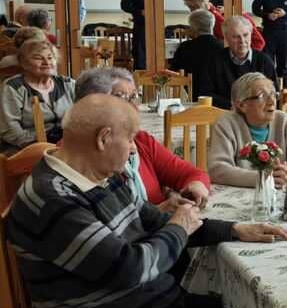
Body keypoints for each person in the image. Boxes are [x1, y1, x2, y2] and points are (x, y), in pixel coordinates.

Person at [5, 94, 287, 308]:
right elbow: (129, 269)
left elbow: (154, 222)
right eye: (130, 139)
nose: (133, 150)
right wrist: (178, 226)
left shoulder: (103, 176)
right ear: (103, 138)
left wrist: (235, 230)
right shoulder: (51, 199)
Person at [75, 67, 211, 211]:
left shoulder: (141, 140)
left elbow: (191, 173)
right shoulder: (81, 156)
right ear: (93, 106)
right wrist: (159, 211)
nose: (134, 106)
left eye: (134, 97)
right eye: (121, 98)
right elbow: (112, 222)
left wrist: (196, 185)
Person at [209, 72, 287, 189]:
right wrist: (264, 178)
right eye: (262, 96)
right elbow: (217, 169)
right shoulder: (226, 124)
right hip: (238, 198)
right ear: (242, 105)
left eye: (273, 94)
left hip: (280, 197)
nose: (272, 101)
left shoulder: (285, 122)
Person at [0, 39, 75, 150]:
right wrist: (43, 146)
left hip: (65, 144)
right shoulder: (13, 88)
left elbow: (85, 113)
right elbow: (10, 130)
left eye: (50, 58)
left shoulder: (67, 84)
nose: (46, 62)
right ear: (24, 63)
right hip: (25, 148)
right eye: (38, 58)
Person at [209, 16, 277, 109]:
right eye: (236, 37)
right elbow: (206, 94)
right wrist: (235, 106)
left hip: (257, 115)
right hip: (225, 115)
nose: (242, 41)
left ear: (251, 35)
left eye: (245, 35)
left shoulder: (264, 61)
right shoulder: (214, 61)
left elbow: (273, 94)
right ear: (226, 38)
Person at [170, 9, 226, 100]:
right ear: (213, 24)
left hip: (191, 97)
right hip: (218, 99)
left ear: (193, 27)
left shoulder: (185, 47)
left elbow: (175, 73)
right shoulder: (223, 47)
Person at [184, 0, 265, 51]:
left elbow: (258, 42)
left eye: (191, 8)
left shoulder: (213, 17)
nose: (191, 11)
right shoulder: (212, 13)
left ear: (197, 6)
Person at [120, 0, 146, 69]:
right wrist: (139, 11)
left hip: (155, 26)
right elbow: (124, 5)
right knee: (139, 55)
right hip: (140, 26)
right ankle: (138, 79)